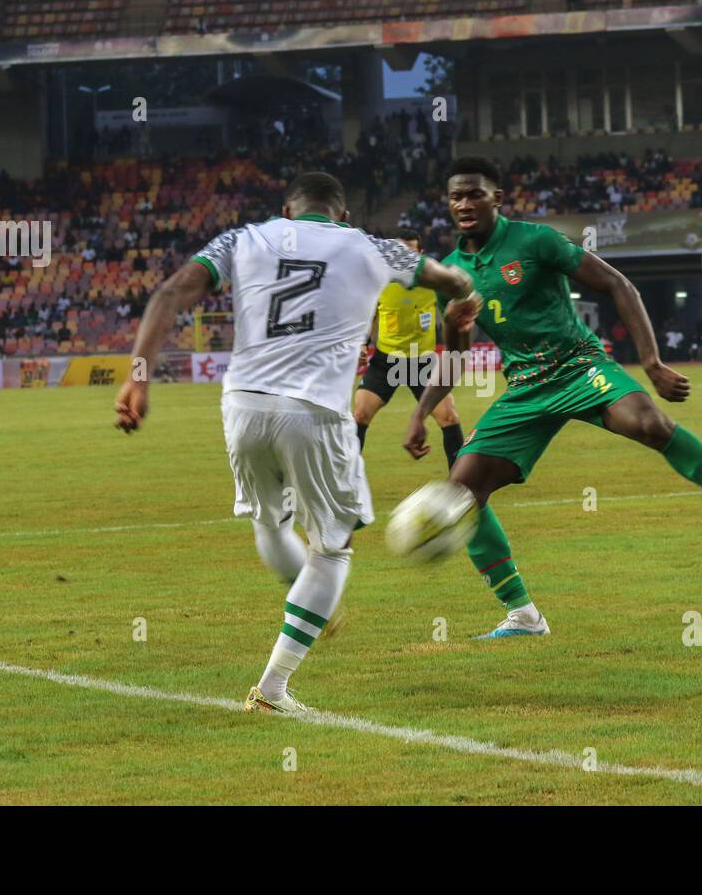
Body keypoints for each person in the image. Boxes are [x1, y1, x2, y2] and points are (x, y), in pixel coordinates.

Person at [401, 158, 702, 639]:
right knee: (460, 496)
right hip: (525, 388)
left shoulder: (535, 241)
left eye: (475, 193)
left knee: (651, 424)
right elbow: (454, 353)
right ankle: (523, 615)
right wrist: (420, 413)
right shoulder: (452, 273)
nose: (464, 204)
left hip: (579, 365)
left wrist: (652, 362)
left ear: (497, 198)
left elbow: (617, 283)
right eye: (456, 196)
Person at [113, 172, 475, 713]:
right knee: (333, 550)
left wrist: (138, 376)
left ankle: (306, 599)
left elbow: (170, 292)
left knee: (270, 522)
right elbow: (446, 279)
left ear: (286, 210)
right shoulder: (369, 245)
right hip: (313, 412)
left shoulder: (242, 238)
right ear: (343, 215)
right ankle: (275, 687)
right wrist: (465, 296)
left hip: (243, 405)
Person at [354, 229, 465, 467]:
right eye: (398, 252)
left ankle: (462, 484)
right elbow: (368, 313)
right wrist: (362, 343)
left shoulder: (435, 282)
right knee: (359, 415)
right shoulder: (379, 280)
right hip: (385, 362)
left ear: (420, 254)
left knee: (449, 417)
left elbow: (454, 311)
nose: (403, 259)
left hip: (421, 362)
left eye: (410, 253)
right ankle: (343, 481)